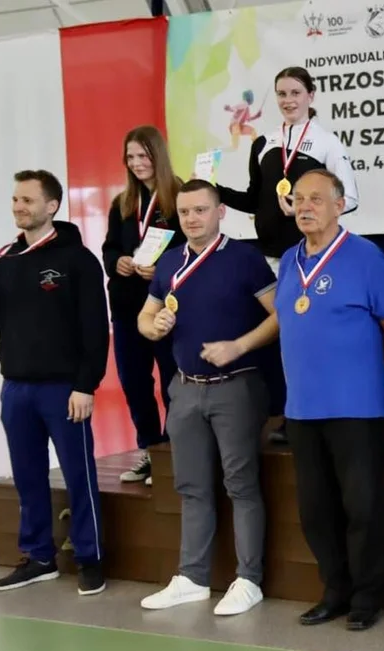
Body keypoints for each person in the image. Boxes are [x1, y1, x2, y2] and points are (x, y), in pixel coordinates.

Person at [0, 169, 109, 596]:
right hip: (16, 388)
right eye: (15, 200)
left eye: (28, 200)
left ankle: (90, 558)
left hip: (64, 390)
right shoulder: (7, 258)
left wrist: (86, 385)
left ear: (52, 206)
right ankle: (39, 557)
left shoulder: (78, 260)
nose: (19, 207)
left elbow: (96, 330)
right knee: (27, 477)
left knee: (79, 476)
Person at [136, 180, 278, 616]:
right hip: (185, 389)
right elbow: (145, 315)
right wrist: (153, 326)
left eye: (200, 210)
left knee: (241, 485)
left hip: (236, 385)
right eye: (185, 212)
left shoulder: (245, 258)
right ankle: (193, 577)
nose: (192, 219)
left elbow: (281, 316)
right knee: (191, 486)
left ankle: (248, 579)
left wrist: (239, 345)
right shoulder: (170, 262)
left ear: (221, 213)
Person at [277, 169, 384, 631]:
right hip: (302, 409)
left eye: (316, 199)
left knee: (363, 508)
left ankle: (367, 596)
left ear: (339, 205)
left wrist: (382, 382)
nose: (305, 207)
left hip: (357, 408)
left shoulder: (364, 256)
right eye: (299, 199)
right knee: (315, 511)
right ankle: (334, 591)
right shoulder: (289, 260)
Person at [217, 66, 359, 444]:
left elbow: (350, 198)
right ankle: (286, 414)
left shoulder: (327, 143)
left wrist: (306, 206)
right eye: (281, 93)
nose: (288, 100)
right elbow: (255, 198)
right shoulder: (263, 142)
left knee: (308, 337)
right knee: (279, 340)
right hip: (269, 259)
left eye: (296, 92)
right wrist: (214, 191)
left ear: (311, 95)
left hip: (309, 259)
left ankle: (318, 413)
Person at [102, 125, 184, 486]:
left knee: (171, 382)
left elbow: (190, 249)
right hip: (126, 309)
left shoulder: (179, 197)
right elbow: (109, 247)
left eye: (143, 155)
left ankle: (174, 450)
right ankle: (150, 450)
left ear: (158, 156)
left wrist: (161, 269)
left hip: (166, 308)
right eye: (130, 157)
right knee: (134, 383)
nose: (136, 163)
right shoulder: (122, 203)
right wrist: (117, 261)